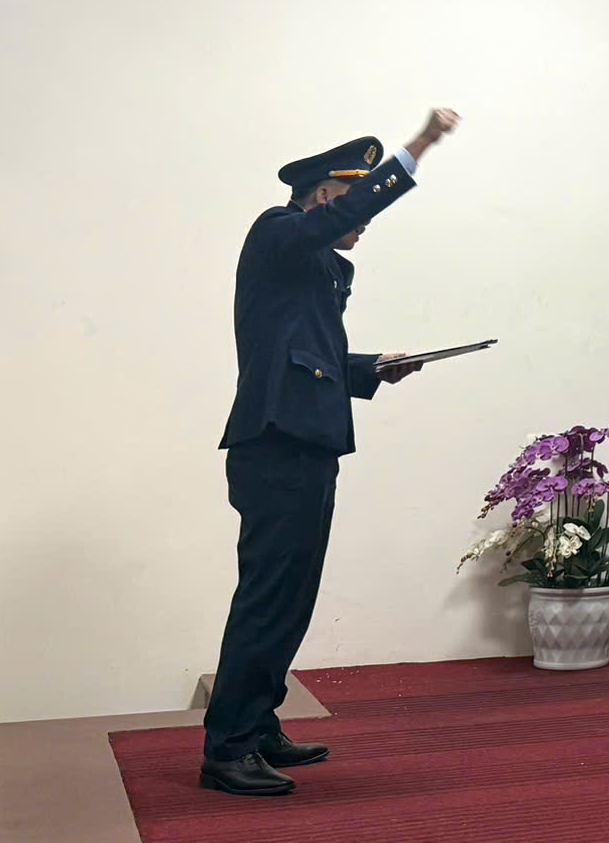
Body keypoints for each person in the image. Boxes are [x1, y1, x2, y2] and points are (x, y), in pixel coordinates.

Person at [198, 108, 459, 797]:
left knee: (291, 601)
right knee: (268, 599)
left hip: (308, 445)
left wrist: (376, 367)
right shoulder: (277, 232)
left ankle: (257, 727)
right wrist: (417, 148)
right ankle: (227, 749)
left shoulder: (316, 267)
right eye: (353, 199)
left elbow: (314, 360)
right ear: (322, 194)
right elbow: (334, 223)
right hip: (275, 446)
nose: (362, 220)